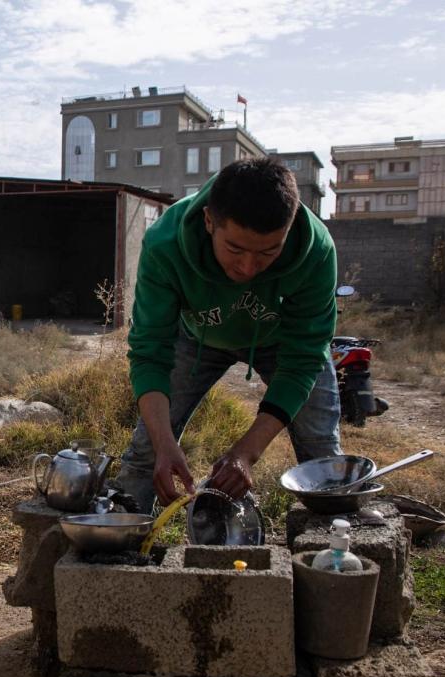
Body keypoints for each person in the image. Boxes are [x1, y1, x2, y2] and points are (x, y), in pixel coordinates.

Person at [113, 158, 343, 513]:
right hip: (196, 337)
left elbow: (303, 359)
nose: (249, 267)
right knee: (148, 449)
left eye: (269, 252)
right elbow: (149, 352)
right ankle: (121, 539)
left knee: (321, 447)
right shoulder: (165, 243)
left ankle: (334, 548)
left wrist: (245, 453)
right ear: (208, 221)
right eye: (235, 249)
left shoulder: (316, 251)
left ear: (290, 227)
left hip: (281, 341)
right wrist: (164, 443)